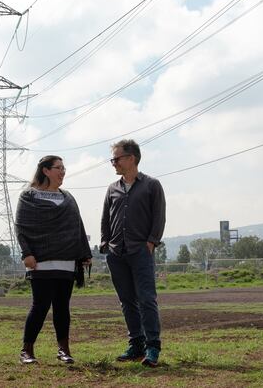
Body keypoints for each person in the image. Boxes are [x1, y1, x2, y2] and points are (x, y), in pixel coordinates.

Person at [15, 155, 92, 365]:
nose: (63, 172)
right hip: (40, 261)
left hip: (66, 261)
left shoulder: (68, 197)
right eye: (59, 168)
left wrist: (84, 253)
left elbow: (78, 225)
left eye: (63, 168)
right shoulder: (29, 196)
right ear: (46, 170)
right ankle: (27, 350)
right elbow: (21, 227)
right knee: (40, 306)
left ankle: (63, 350)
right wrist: (26, 253)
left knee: (62, 307)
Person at [100, 139, 166, 367]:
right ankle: (136, 344)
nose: (113, 163)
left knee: (146, 299)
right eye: (113, 159)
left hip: (141, 251)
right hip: (116, 253)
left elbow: (159, 217)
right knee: (127, 301)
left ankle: (152, 347)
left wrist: (151, 243)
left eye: (116, 159)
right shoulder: (112, 189)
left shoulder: (151, 185)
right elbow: (105, 219)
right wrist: (105, 243)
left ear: (131, 158)